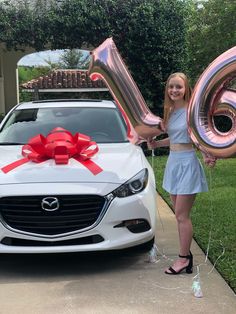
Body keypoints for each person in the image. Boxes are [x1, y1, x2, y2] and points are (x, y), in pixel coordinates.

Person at [148, 72, 216, 275]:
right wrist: (156, 143)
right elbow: (175, 138)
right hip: (173, 163)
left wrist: (207, 154)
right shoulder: (169, 111)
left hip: (187, 163)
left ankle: (184, 259)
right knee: (179, 216)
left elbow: (197, 137)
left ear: (186, 89)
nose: (174, 90)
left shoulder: (190, 111)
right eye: (171, 87)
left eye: (178, 87)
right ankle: (185, 256)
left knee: (181, 215)